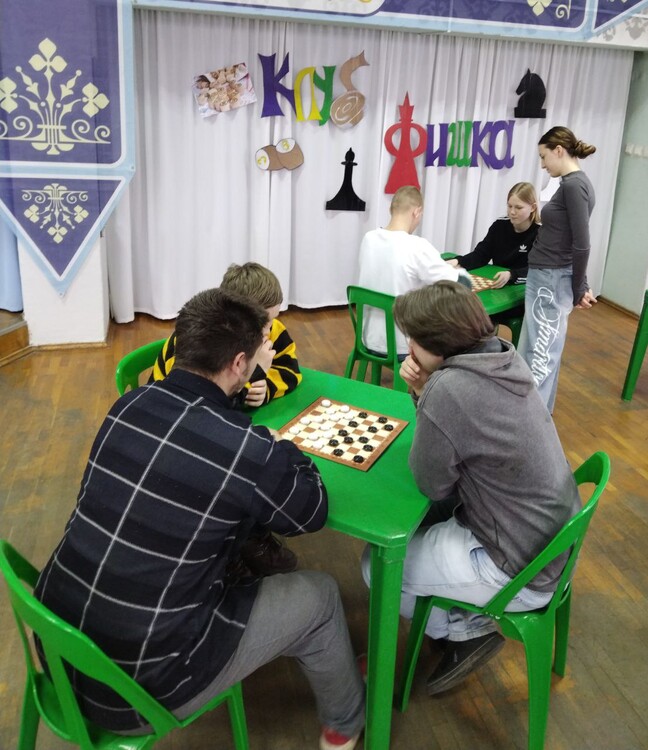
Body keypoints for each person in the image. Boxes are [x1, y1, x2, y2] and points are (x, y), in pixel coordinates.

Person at [35, 288, 365, 750]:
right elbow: (311, 511)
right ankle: (345, 724)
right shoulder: (245, 449)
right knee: (322, 596)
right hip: (135, 692)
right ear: (239, 363)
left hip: (58, 649)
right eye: (258, 352)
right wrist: (284, 446)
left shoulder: (127, 405)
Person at [362, 281, 580, 696]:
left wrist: (425, 391)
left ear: (437, 345)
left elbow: (432, 484)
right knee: (420, 526)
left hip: (519, 566)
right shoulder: (503, 355)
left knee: (376, 567)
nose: (409, 348)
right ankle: (457, 612)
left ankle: (465, 631)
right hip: (552, 543)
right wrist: (427, 388)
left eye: (412, 339)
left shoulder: (449, 389)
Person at [152, 262, 302, 577]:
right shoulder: (199, 346)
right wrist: (255, 373)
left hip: (223, 423)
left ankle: (248, 538)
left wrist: (266, 387)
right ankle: (242, 544)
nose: (270, 331)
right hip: (186, 431)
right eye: (265, 323)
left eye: (274, 320)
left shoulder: (272, 332)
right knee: (244, 475)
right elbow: (206, 405)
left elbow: (291, 370)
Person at [517, 126, 597, 412]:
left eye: (544, 156)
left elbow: (582, 243)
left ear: (559, 150)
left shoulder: (574, 186)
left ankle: (531, 425)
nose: (542, 164)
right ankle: (537, 420)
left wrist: (579, 287)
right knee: (538, 350)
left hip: (550, 279)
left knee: (540, 356)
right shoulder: (573, 184)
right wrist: (580, 284)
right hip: (548, 276)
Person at [357, 185, 469, 358]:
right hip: (403, 346)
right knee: (451, 331)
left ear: (391, 209)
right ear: (417, 212)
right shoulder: (417, 246)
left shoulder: (368, 238)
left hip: (366, 339)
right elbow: (460, 284)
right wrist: (459, 270)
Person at [447, 181, 540, 289]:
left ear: (533, 208)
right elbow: (481, 255)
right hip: (498, 283)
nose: (512, 212)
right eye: (509, 206)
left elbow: (539, 270)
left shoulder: (541, 233)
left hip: (524, 288)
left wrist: (511, 275)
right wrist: (458, 261)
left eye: (518, 208)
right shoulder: (499, 225)